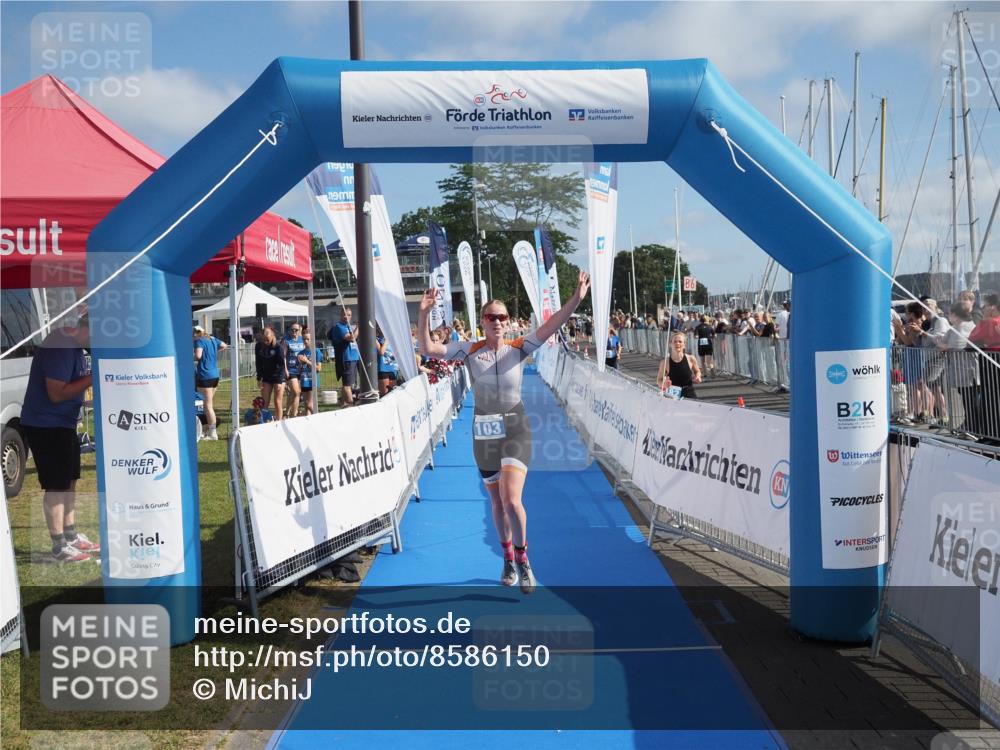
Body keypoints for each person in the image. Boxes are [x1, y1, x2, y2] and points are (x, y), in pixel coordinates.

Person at [418, 271, 591, 594]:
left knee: (512, 501)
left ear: (509, 322)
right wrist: (425, 312)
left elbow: (551, 325)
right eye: (491, 317)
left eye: (502, 317)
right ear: (483, 321)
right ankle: (507, 559)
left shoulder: (518, 348)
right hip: (484, 432)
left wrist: (576, 299)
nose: (497, 322)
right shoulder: (468, 350)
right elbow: (427, 348)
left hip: (515, 426)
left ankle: (524, 561)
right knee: (496, 503)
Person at [20, 316, 100, 562]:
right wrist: (94, 376)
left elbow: (69, 390)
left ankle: (71, 536)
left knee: (70, 480)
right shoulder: (61, 345)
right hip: (46, 424)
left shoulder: (74, 347)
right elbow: (56, 394)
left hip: (62, 423)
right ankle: (59, 547)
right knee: (57, 484)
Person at [193, 325, 228, 440]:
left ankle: (213, 433)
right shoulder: (212, 339)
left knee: (207, 406)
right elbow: (224, 345)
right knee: (208, 405)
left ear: (195, 334)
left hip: (205, 376)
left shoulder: (199, 341)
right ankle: (207, 430)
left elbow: (198, 355)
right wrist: (212, 353)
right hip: (215, 375)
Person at [329, 307, 361, 406]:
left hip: (354, 358)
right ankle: (351, 405)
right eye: (345, 314)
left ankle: (343, 403)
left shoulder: (348, 327)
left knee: (349, 384)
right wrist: (358, 326)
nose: (346, 317)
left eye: (349, 315)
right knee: (347, 385)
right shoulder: (339, 327)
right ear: (341, 315)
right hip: (347, 359)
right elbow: (352, 338)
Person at [657, 331, 703, 399]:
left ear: (684, 345)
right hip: (672, 394)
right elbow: (659, 380)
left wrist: (698, 376)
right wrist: (664, 384)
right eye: (675, 341)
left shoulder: (690, 358)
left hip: (689, 392)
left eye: (680, 341)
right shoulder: (665, 362)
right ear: (670, 344)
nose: (677, 343)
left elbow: (697, 371)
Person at [255, 326, 287, 420]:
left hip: (278, 376)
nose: (265, 341)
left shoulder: (278, 347)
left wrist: (279, 381)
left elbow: (281, 365)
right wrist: (259, 378)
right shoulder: (259, 346)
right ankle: (263, 421)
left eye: (267, 339)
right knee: (264, 402)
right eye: (263, 339)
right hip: (266, 377)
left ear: (273, 336)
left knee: (277, 401)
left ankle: (279, 421)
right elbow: (258, 363)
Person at [297, 331, 324, 415]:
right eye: (304, 339)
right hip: (304, 381)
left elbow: (318, 369)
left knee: (310, 404)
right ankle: (309, 421)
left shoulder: (316, 351)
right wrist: (301, 364)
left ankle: (319, 416)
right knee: (306, 405)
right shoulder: (300, 353)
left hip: (312, 381)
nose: (306, 341)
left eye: (308, 339)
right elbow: (299, 370)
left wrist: (307, 361)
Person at [283, 323, 306, 418]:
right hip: (291, 370)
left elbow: (305, 352)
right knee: (297, 392)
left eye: (296, 330)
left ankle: (287, 413)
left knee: (293, 393)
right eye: (292, 330)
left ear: (300, 330)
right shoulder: (287, 340)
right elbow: (283, 356)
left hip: (301, 370)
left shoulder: (303, 339)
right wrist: (285, 369)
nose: (294, 332)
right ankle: (294, 415)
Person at [376, 327, 399, 395]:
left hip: (392, 369)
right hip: (383, 369)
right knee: (384, 394)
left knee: (393, 393)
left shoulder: (391, 340)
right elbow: (381, 352)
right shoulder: (376, 339)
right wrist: (387, 340)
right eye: (380, 328)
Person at [694, 314, 715, 378]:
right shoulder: (710, 327)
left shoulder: (697, 327)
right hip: (708, 344)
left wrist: (699, 336)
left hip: (701, 345)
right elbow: (715, 335)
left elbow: (695, 336)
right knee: (709, 361)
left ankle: (705, 374)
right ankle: (712, 369)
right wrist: (709, 336)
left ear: (700, 320)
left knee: (702, 361)